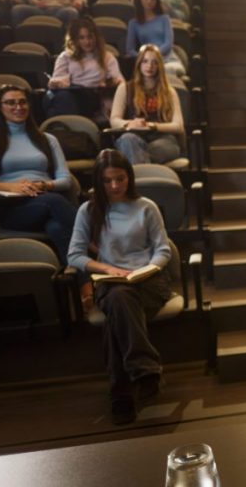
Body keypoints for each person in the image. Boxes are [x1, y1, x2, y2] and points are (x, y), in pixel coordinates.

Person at [67, 149, 171, 425]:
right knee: (119, 298)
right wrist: (108, 269)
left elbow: (163, 250)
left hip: (148, 280)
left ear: (130, 177)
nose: (114, 186)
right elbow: (75, 255)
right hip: (111, 281)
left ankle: (122, 393)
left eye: (120, 179)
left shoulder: (146, 207)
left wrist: (147, 269)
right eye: (108, 181)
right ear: (99, 182)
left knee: (118, 305)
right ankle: (145, 370)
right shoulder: (88, 210)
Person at [0, 84, 77, 263]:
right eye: (10, 103)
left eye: (22, 102)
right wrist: (11, 186)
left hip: (46, 198)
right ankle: (96, 244)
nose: (18, 107)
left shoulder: (48, 139)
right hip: (14, 207)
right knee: (55, 201)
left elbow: (65, 180)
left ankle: (80, 283)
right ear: (0, 107)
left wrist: (43, 185)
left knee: (57, 228)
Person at [110, 44, 183, 165]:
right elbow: (114, 120)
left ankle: (137, 174)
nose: (149, 66)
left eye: (154, 62)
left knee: (135, 151)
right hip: (133, 135)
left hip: (162, 139)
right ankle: (146, 176)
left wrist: (152, 126)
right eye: (145, 61)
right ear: (139, 64)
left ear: (160, 66)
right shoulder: (125, 88)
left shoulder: (170, 92)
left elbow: (178, 126)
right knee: (127, 140)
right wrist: (130, 123)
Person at [45, 16, 125, 120]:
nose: (87, 42)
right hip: (72, 94)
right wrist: (58, 83)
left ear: (96, 37)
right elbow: (58, 80)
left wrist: (111, 82)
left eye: (90, 37)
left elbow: (120, 82)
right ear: (75, 40)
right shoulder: (65, 57)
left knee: (58, 107)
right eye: (82, 38)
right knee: (61, 98)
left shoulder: (107, 57)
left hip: (94, 96)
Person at [127, 0, 185, 77]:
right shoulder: (133, 23)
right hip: (146, 61)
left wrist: (154, 55)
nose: (149, 1)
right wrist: (144, 58)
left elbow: (168, 43)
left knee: (169, 71)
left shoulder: (164, 19)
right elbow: (130, 50)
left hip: (167, 59)